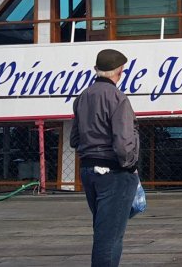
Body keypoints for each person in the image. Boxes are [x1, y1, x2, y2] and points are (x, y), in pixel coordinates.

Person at [71, 49, 140, 267]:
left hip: (88, 169)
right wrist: (131, 166)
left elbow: (74, 139)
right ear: (120, 72)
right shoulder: (118, 98)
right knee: (110, 237)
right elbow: (123, 142)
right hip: (114, 172)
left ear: (96, 70)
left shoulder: (82, 97)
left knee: (103, 230)